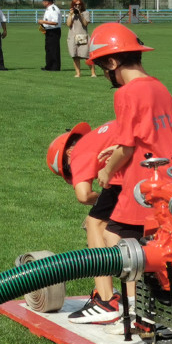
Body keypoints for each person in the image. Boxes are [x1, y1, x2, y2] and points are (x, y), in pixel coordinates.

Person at [89, 24, 172, 328]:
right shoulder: (158, 86)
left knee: (121, 242)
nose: (105, 75)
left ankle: (136, 311)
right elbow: (151, 133)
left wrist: (108, 170)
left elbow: (126, 145)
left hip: (149, 177)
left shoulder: (126, 92)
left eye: (102, 67)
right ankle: (150, 307)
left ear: (112, 63)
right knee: (162, 241)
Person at [47, 120, 126, 324]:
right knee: (125, 234)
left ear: (67, 156)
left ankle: (106, 300)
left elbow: (83, 195)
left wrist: (100, 198)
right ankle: (133, 302)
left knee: (94, 223)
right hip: (155, 159)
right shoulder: (96, 138)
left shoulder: (78, 152)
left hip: (127, 168)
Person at [65, 0, 97, 78]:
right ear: (73, 5)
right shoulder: (71, 14)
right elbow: (68, 24)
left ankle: (93, 73)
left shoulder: (86, 13)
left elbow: (85, 24)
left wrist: (80, 14)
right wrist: (71, 14)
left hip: (83, 36)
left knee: (87, 56)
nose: (77, 6)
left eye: (79, 4)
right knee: (75, 56)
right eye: (76, 4)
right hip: (72, 36)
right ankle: (78, 73)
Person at [38, 0, 62, 71]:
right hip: (48, 31)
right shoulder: (48, 9)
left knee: (54, 49)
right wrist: (43, 27)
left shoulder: (53, 9)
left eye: (44, 1)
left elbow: (55, 22)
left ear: (47, 2)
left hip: (54, 31)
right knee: (48, 49)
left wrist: (43, 21)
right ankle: (49, 66)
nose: (43, 3)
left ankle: (55, 67)